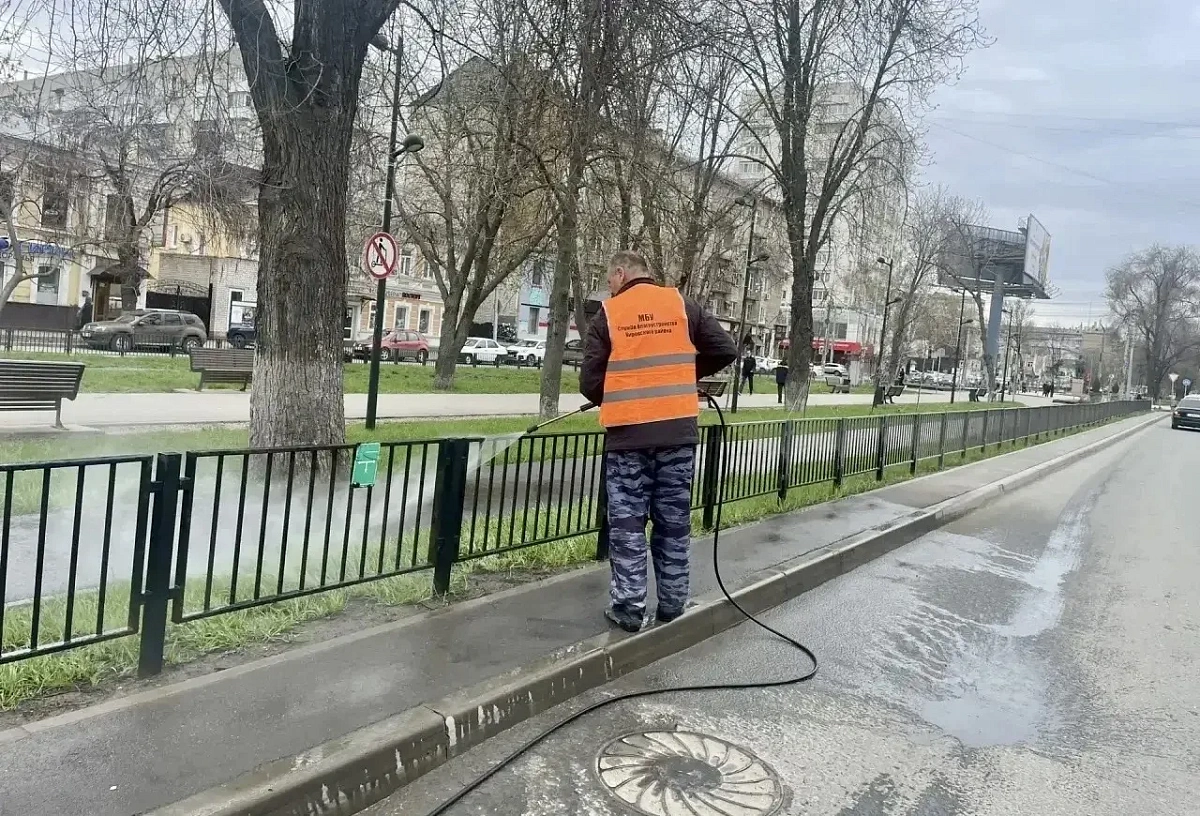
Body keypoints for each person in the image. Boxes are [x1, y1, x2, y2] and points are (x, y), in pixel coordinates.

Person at [581, 250, 737, 633]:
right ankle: (672, 602)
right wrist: (680, 375)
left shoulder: (610, 313)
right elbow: (725, 349)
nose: (609, 287)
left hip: (628, 438)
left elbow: (590, 382)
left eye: (609, 279)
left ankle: (629, 608)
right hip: (677, 436)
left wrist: (620, 393)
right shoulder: (681, 305)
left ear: (621, 273)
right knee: (673, 521)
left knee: (628, 524)